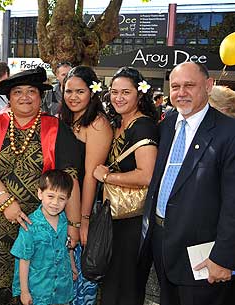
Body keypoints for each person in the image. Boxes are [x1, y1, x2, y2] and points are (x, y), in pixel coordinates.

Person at [0, 66, 82, 305]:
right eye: (18, 92)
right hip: (3, 220)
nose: (25, 97)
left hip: (47, 224)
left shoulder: (57, 129)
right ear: (9, 98)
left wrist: (74, 225)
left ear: (40, 96)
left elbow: (71, 180)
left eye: (31, 91)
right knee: (5, 285)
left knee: (42, 286)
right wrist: (6, 202)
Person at [140, 62, 235, 305]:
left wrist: (224, 257)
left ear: (208, 85)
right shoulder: (168, 125)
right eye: (175, 87)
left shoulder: (229, 133)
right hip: (162, 244)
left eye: (189, 86)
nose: (181, 93)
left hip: (203, 255)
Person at [93, 66, 159, 305]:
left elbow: (146, 175)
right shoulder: (119, 123)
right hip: (115, 217)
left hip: (133, 221)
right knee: (112, 283)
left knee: (126, 285)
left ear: (139, 95)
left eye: (126, 92)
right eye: (114, 92)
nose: (118, 97)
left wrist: (107, 177)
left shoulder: (143, 126)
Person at [60, 66, 113, 304]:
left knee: (81, 279)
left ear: (92, 93)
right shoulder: (67, 119)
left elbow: (91, 176)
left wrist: (83, 221)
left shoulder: (97, 124)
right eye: (68, 91)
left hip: (83, 207)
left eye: (79, 91)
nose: (73, 97)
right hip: (61, 205)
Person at [11, 169, 76, 305]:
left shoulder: (65, 221)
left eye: (61, 198)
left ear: (68, 199)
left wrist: (72, 266)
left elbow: (67, 247)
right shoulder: (29, 226)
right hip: (38, 292)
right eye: (50, 196)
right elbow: (24, 259)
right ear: (40, 193)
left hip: (62, 290)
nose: (55, 203)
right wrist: (24, 291)